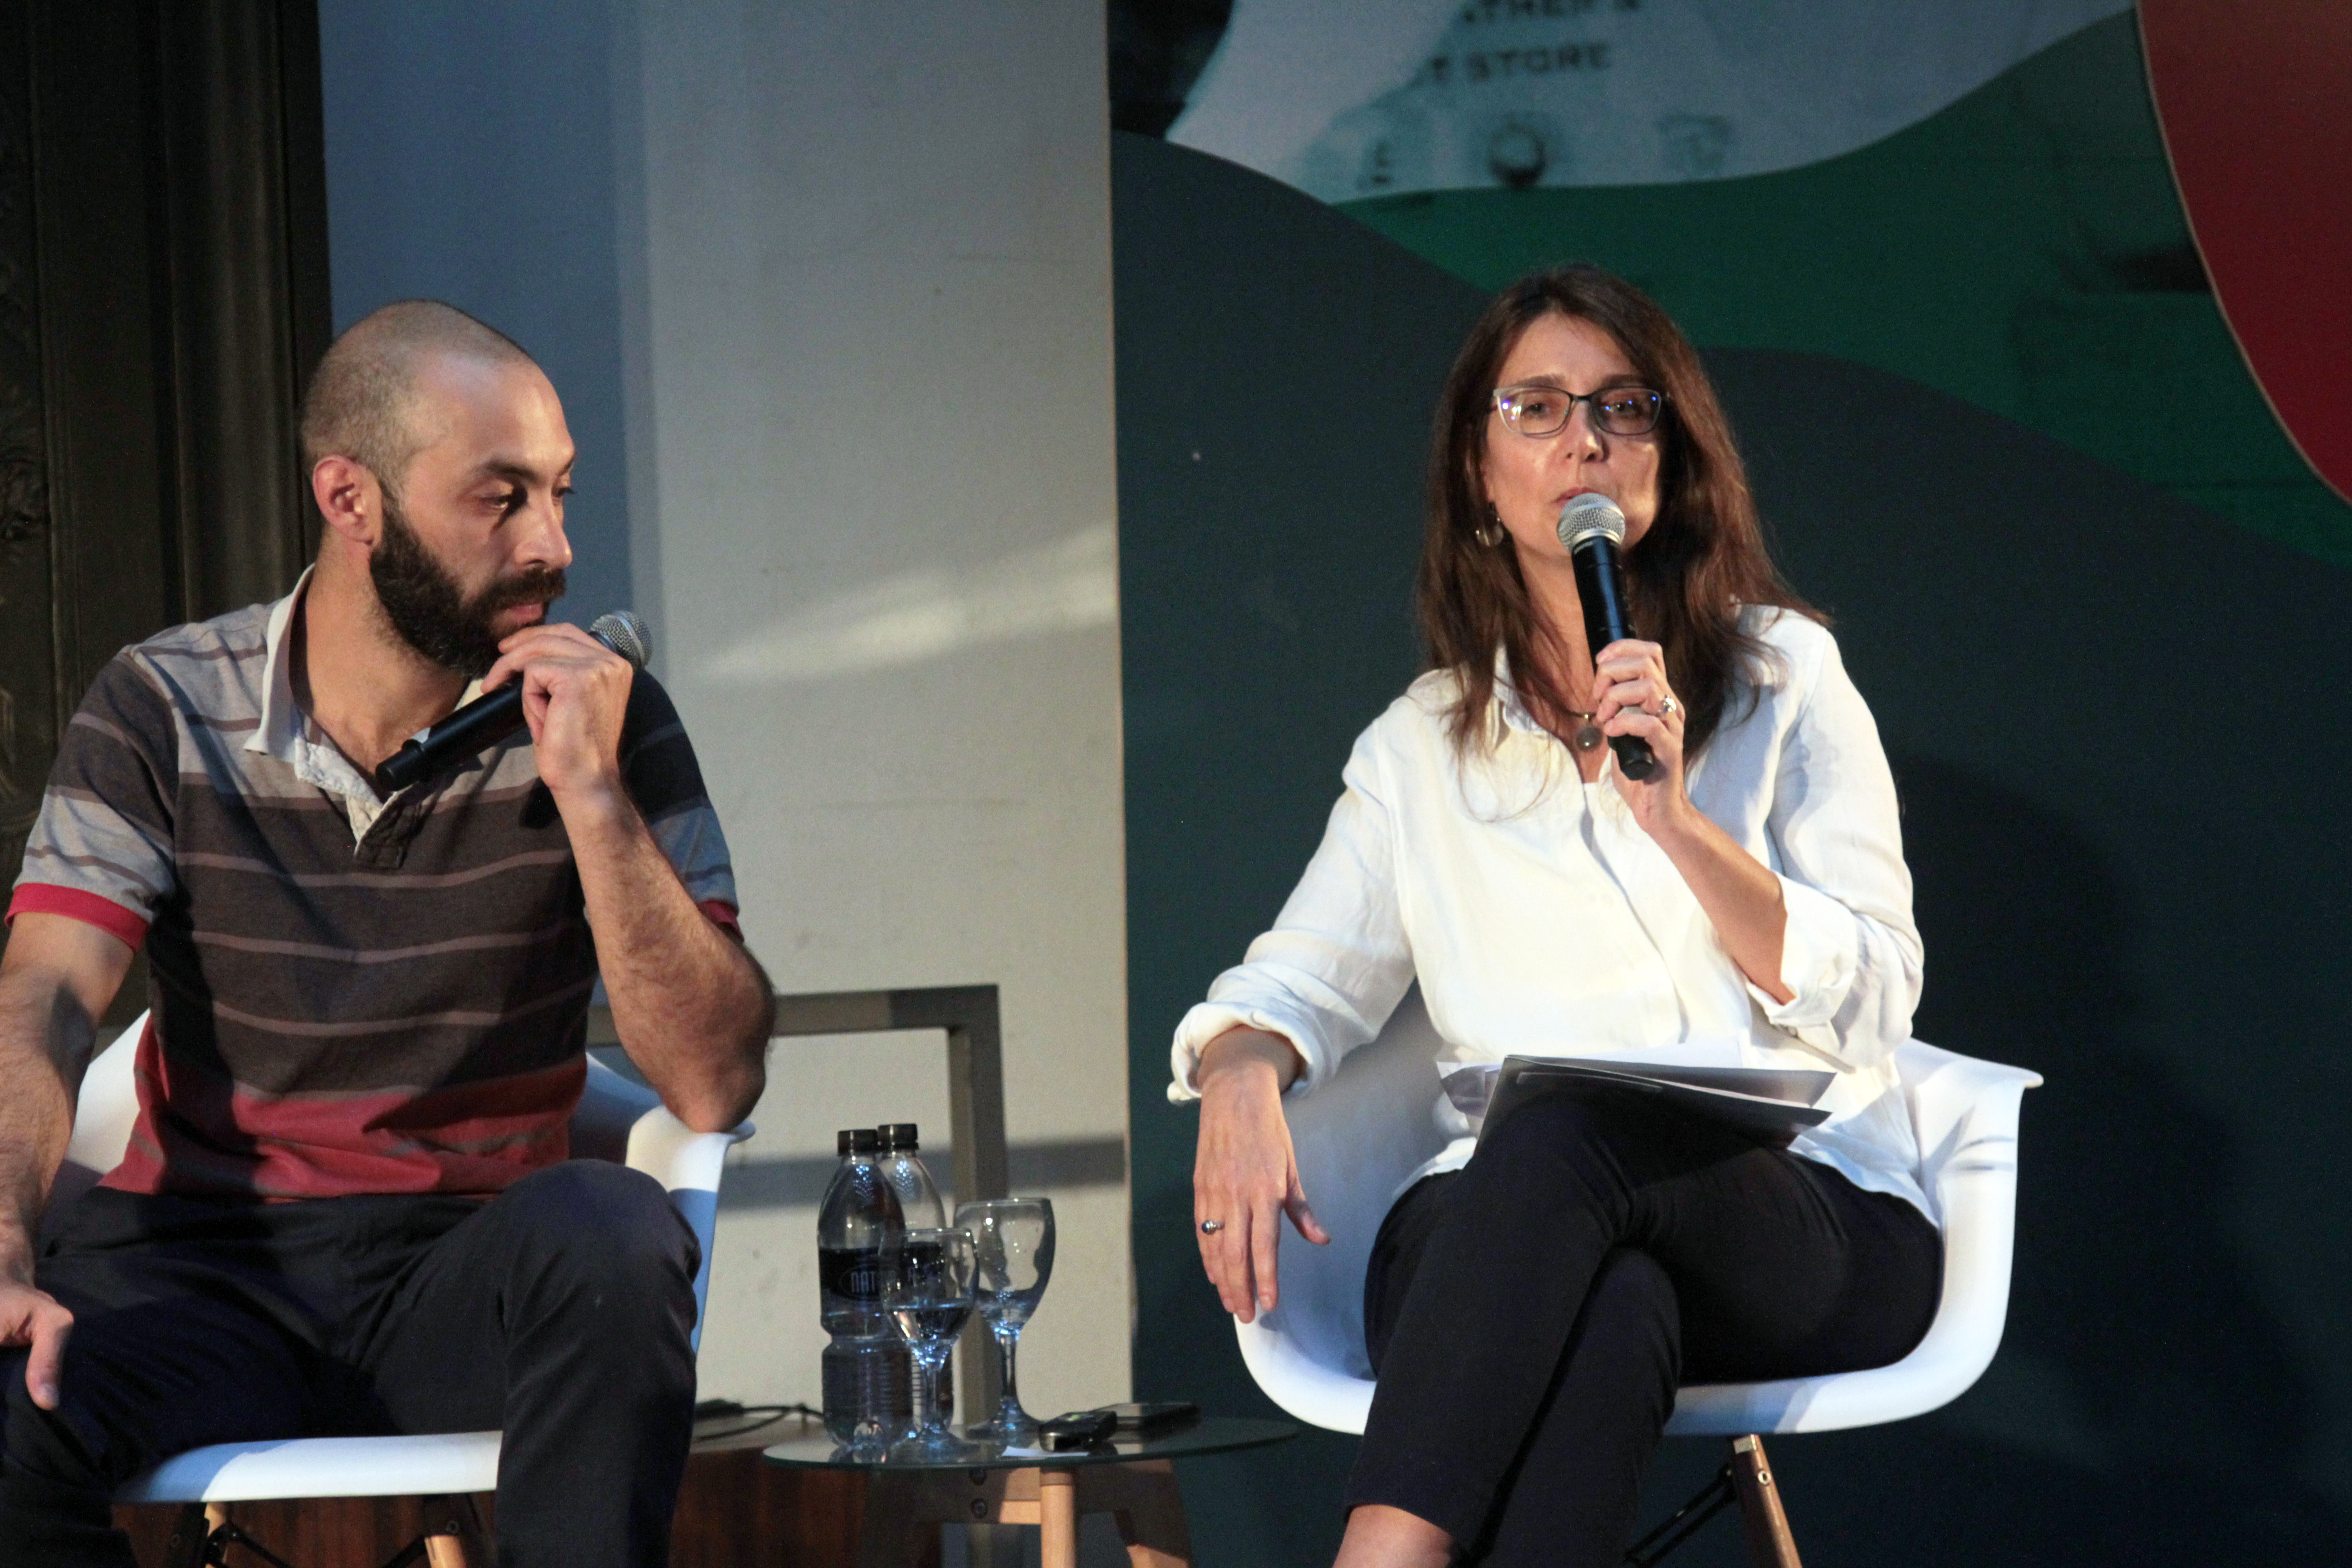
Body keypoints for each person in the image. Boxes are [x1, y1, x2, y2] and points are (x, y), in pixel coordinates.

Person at [1172, 266, 1941, 1568]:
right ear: (1479, 468)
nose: (1583, 437)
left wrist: (1684, 829)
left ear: (1670, 455)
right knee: (1607, 1300)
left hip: (1783, 1218)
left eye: (1621, 407)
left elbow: (1877, 998)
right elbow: (1294, 982)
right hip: (1500, 1234)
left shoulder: (1784, 679)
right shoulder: (1422, 748)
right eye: (1536, 407)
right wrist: (1241, 1071)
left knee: (1566, 1127)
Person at [0, 300, 776, 1567]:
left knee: (622, 1237)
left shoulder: (607, 720)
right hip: (210, 1273)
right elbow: (43, 999)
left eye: (561, 494)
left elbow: (712, 1080)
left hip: (466, 1270)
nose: (554, 547)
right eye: (501, 499)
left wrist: (591, 794)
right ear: (351, 499)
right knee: (10, 1396)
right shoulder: (163, 706)